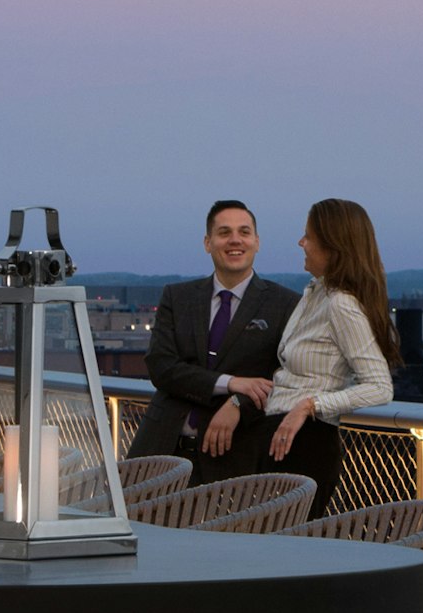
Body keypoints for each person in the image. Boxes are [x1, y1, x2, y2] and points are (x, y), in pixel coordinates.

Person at [126, 201, 293, 483]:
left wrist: (238, 402)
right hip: (160, 450)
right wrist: (230, 383)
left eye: (244, 232)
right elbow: (161, 367)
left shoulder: (286, 304)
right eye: (224, 232)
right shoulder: (177, 298)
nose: (235, 240)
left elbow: (286, 379)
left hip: (233, 459)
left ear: (257, 242)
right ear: (208, 242)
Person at [256, 198, 400, 499]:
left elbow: (380, 387)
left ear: (333, 246)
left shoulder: (341, 304)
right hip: (280, 438)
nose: (301, 242)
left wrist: (309, 405)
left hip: (306, 444)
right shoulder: (314, 294)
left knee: (285, 542)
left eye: (308, 236)